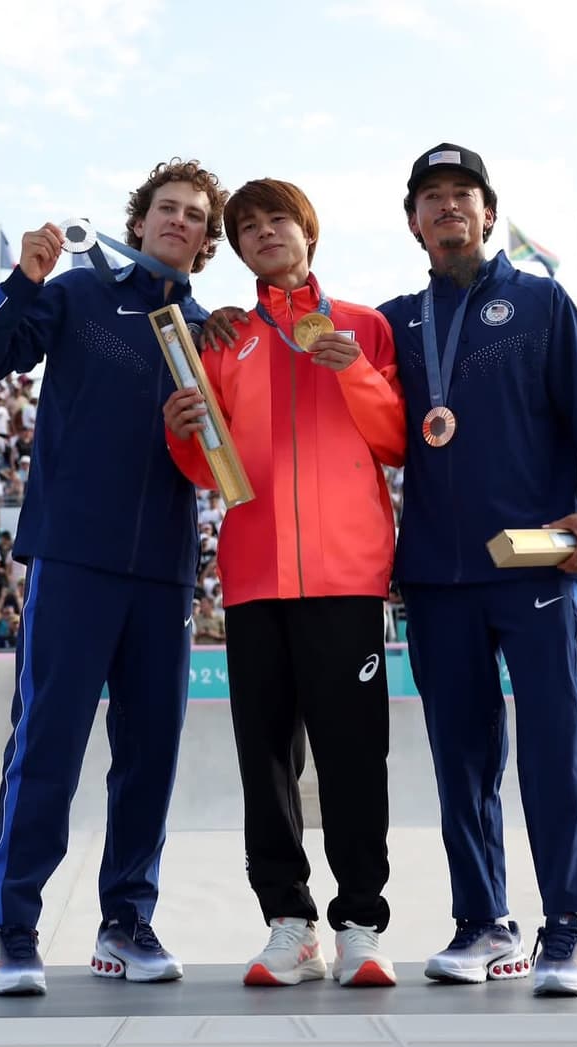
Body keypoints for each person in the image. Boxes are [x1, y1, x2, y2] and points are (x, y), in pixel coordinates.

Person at [0, 157, 228, 997]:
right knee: (47, 746)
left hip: (166, 575)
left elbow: (229, 462)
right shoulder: (73, 294)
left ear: (207, 243)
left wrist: (202, 426)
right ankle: (15, 931)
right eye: (167, 209)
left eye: (195, 216)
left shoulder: (213, 333)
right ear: (139, 222)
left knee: (151, 754)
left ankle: (126, 924)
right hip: (74, 559)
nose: (179, 221)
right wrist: (22, 281)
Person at [375, 143, 577, 996]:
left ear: (489, 214)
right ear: (412, 221)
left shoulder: (541, 304)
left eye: (464, 194)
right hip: (435, 576)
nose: (449, 206)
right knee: (459, 758)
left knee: (552, 749)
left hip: (532, 566)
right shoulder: (392, 324)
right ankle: (483, 923)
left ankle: (566, 927)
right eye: (432, 196)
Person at [164, 178, 405, 988]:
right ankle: (289, 923)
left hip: (346, 576)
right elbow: (210, 467)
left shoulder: (365, 327)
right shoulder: (226, 339)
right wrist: (185, 434)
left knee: (352, 757)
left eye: (279, 220)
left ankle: (362, 925)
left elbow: (399, 439)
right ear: (235, 250)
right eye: (249, 226)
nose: (266, 233)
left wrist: (355, 375)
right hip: (255, 579)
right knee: (264, 759)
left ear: (309, 231)